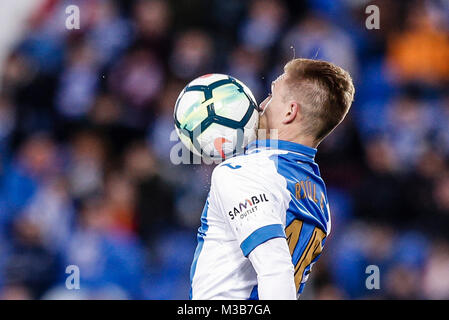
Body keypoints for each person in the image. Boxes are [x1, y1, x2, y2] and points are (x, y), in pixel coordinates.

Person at [189, 58, 355, 299]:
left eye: (271, 96)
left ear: (290, 111)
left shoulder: (245, 172)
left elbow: (275, 269)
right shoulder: (317, 194)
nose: (260, 105)